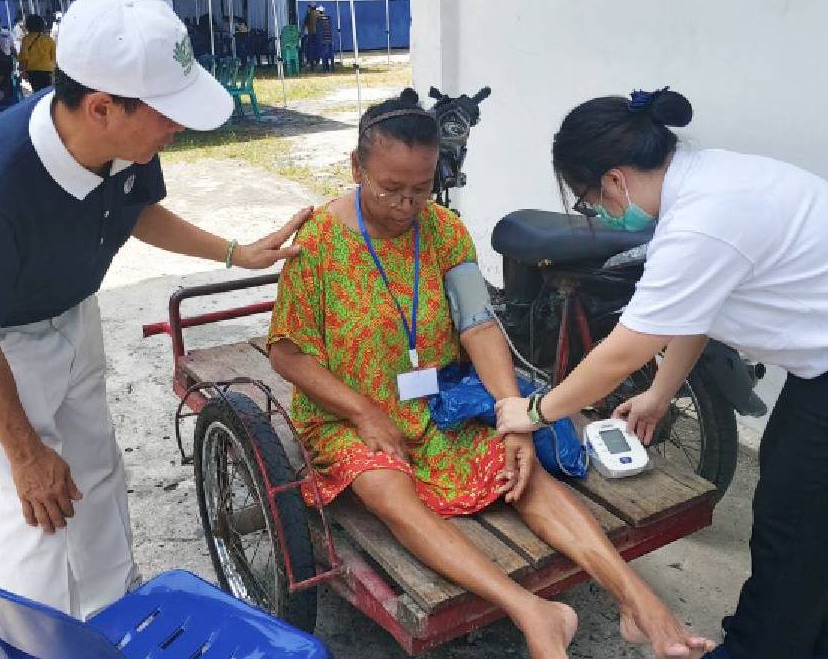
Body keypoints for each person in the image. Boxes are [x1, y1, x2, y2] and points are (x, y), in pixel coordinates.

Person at [494, 88, 828, 659]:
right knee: (801, 522)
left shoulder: (703, 221)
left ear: (615, 180)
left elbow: (625, 349)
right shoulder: (702, 186)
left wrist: (537, 411)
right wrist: (661, 396)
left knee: (799, 531)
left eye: (593, 203)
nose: (603, 214)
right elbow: (694, 309)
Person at [268, 89, 715, 659]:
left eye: (422, 188)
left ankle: (637, 600)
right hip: (348, 416)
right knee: (384, 486)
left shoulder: (445, 233)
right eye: (390, 189)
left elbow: (478, 326)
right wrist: (363, 412)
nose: (407, 205)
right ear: (356, 168)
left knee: (518, 470)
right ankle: (533, 611)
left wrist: (515, 417)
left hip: (435, 405)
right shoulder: (317, 245)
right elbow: (287, 354)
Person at [0, 0, 310, 619]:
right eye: (167, 113)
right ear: (100, 107)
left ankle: (115, 613)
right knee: (34, 504)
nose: (178, 127)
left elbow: (137, 210)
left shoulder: (125, 144)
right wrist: (25, 454)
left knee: (93, 467)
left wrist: (238, 253)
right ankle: (41, 636)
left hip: (69, 307)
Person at [17, 14, 56, 92]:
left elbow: (24, 57)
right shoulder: (49, 39)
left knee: (37, 92)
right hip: (47, 70)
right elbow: (54, 57)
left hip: (32, 71)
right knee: (47, 92)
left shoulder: (26, 40)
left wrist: (22, 71)